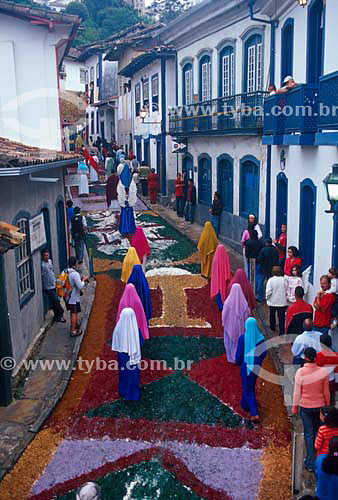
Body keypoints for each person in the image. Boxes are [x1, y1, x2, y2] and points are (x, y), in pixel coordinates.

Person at [292, 346, 330, 471]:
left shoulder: (300, 372)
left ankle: (310, 463)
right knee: (319, 433)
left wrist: (294, 407)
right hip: (320, 407)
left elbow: (297, 392)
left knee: (309, 433)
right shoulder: (323, 372)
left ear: (305, 358)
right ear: (315, 358)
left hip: (306, 407)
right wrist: (327, 406)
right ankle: (320, 460)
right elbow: (326, 392)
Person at [235, 317, 266, 423]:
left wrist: (238, 362)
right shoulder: (261, 339)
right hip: (256, 366)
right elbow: (264, 354)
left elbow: (238, 356)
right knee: (250, 385)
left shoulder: (242, 338)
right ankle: (245, 404)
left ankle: (254, 413)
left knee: (248, 388)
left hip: (246, 366)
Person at [112, 307, 141, 400]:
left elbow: (116, 341)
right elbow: (141, 341)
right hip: (132, 355)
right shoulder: (135, 329)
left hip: (122, 356)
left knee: (123, 374)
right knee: (133, 375)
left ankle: (123, 390)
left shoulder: (118, 328)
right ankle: (133, 394)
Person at [223, 283, 250, 363]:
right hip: (241, 326)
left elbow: (224, 314)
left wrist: (224, 322)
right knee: (239, 341)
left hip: (230, 326)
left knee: (230, 341)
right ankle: (238, 356)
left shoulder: (227, 303)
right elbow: (247, 314)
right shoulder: (244, 303)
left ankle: (231, 357)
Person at [67, 256, 89, 337]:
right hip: (73, 297)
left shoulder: (65, 271)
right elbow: (80, 286)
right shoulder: (75, 274)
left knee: (72, 312)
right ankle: (73, 331)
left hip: (68, 296)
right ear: (74, 265)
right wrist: (83, 280)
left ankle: (74, 325)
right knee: (74, 313)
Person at [41, 249, 65, 323]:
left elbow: (52, 272)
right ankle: (60, 312)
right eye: (45, 255)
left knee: (54, 302)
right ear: (42, 256)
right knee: (55, 300)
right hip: (47, 286)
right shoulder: (42, 265)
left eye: (47, 255)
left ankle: (57, 316)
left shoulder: (50, 262)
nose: (46, 257)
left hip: (53, 284)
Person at [316, 334, 338, 405]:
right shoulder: (336, 355)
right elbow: (336, 372)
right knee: (331, 399)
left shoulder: (318, 356)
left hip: (321, 382)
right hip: (331, 381)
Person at [266, 266, 288, 335]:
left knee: (272, 315)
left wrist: (267, 298)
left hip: (272, 301)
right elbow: (286, 288)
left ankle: (272, 327)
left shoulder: (271, 280)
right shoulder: (284, 279)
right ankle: (281, 330)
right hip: (282, 301)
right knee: (281, 317)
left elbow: (268, 291)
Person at [210, 244, 232, 311]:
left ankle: (220, 306)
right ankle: (223, 304)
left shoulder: (215, 259)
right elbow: (228, 268)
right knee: (223, 291)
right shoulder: (225, 257)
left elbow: (214, 271)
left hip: (217, 279)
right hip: (224, 279)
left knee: (218, 292)